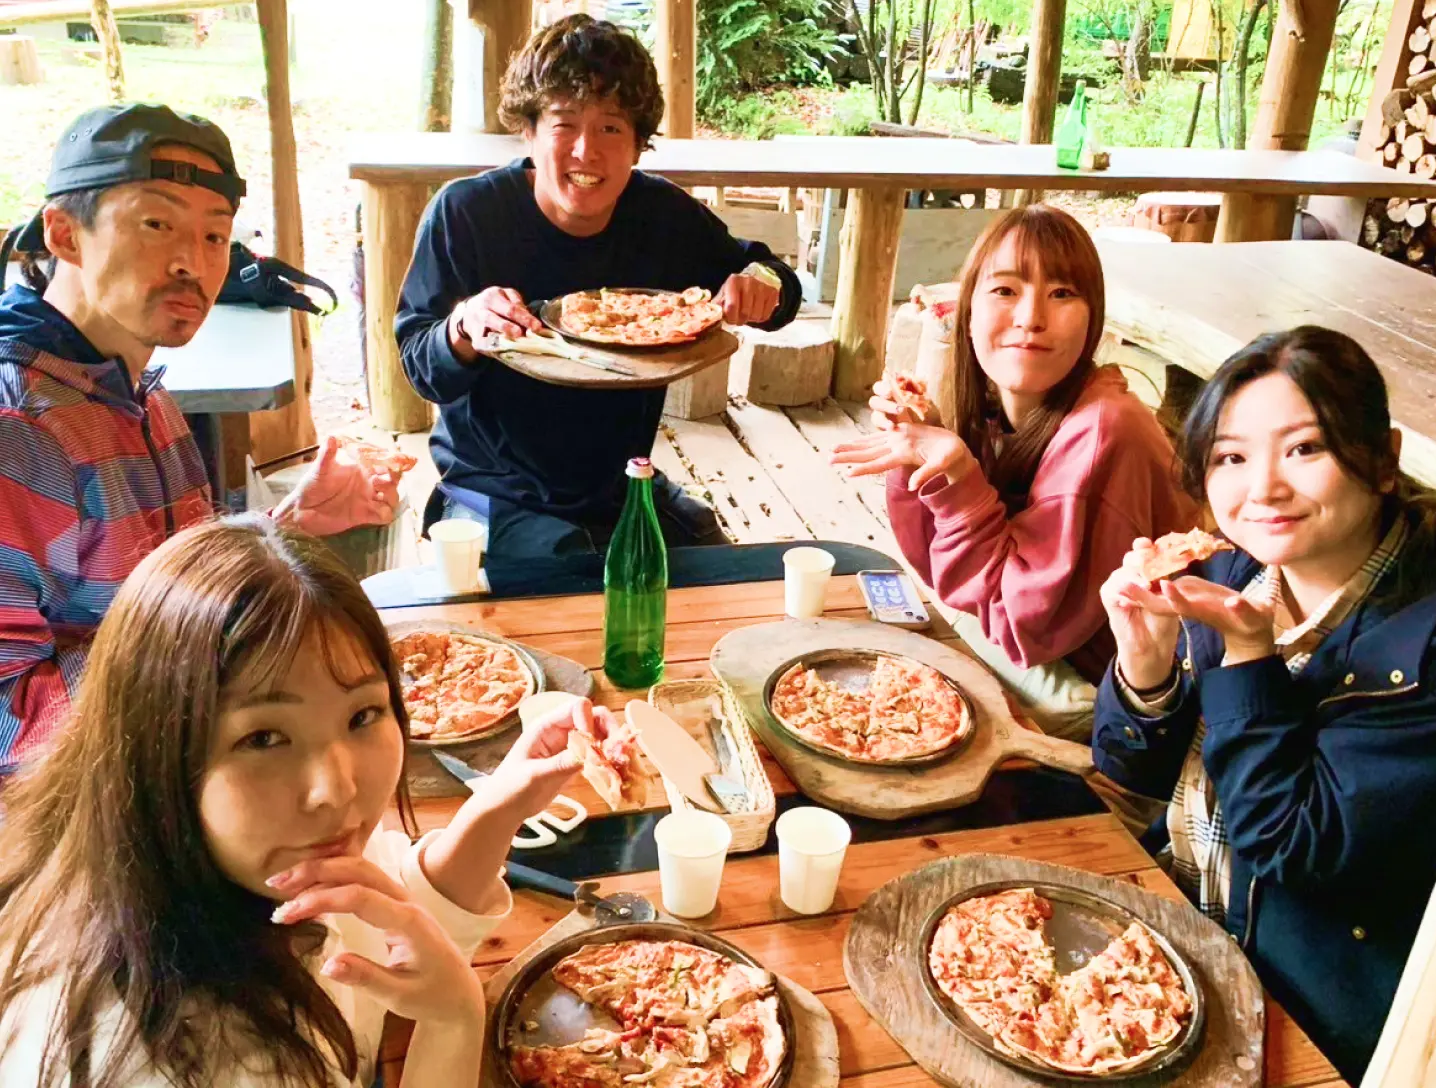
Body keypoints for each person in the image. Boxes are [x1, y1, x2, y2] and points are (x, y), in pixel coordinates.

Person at [0, 515, 601, 1087]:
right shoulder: (180, 1055)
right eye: (264, 738)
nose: (336, 788)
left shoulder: (246, 863)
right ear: (154, 752)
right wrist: (453, 1023)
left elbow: (382, 919)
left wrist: (499, 805)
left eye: (362, 715)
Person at [1091, 326, 1436, 1083]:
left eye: (1305, 449)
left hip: (1301, 1005)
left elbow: (1295, 850)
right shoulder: (1237, 570)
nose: (1263, 489)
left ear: (1383, 458)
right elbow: (1129, 770)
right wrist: (1144, 669)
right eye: (1231, 458)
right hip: (1178, 924)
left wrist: (1250, 655)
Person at [0, 103, 402, 773]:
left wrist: (285, 527)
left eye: (215, 236)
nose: (192, 262)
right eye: (156, 224)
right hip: (88, 808)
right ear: (65, 235)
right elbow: (8, 717)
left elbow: (168, 583)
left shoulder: (137, 389)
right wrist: (210, 657)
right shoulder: (21, 429)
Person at [396, 15, 801, 560]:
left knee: (716, 567)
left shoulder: (662, 215)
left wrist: (763, 284)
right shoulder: (466, 214)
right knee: (568, 580)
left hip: (620, 484)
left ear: (637, 145)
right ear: (529, 131)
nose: (586, 151)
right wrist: (463, 327)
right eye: (564, 124)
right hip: (496, 491)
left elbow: (771, 278)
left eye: (610, 128)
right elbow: (421, 364)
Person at [831, 206, 1196, 737]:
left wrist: (959, 482)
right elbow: (944, 575)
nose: (1031, 317)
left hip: (1127, 712)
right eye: (1005, 290)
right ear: (968, 311)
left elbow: (1024, 630)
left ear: (1093, 321)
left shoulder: (1105, 431)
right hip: (1040, 650)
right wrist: (925, 455)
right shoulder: (993, 409)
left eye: (1062, 293)